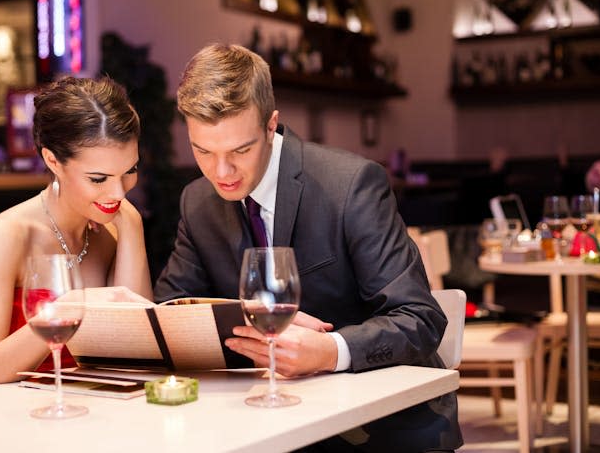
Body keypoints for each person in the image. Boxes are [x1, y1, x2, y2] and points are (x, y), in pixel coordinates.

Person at [154, 44, 462, 452]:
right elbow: (174, 310)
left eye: (240, 151)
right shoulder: (197, 201)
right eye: (203, 151)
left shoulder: (351, 185)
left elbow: (421, 319)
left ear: (271, 125)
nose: (221, 172)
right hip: (256, 420)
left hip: (380, 425)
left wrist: (331, 351)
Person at [0, 76, 152, 394]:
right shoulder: (8, 236)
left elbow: (138, 349)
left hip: (73, 412)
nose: (118, 192)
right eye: (98, 178)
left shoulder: (108, 235)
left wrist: (132, 225)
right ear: (53, 160)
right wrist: (67, 309)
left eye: (129, 171)